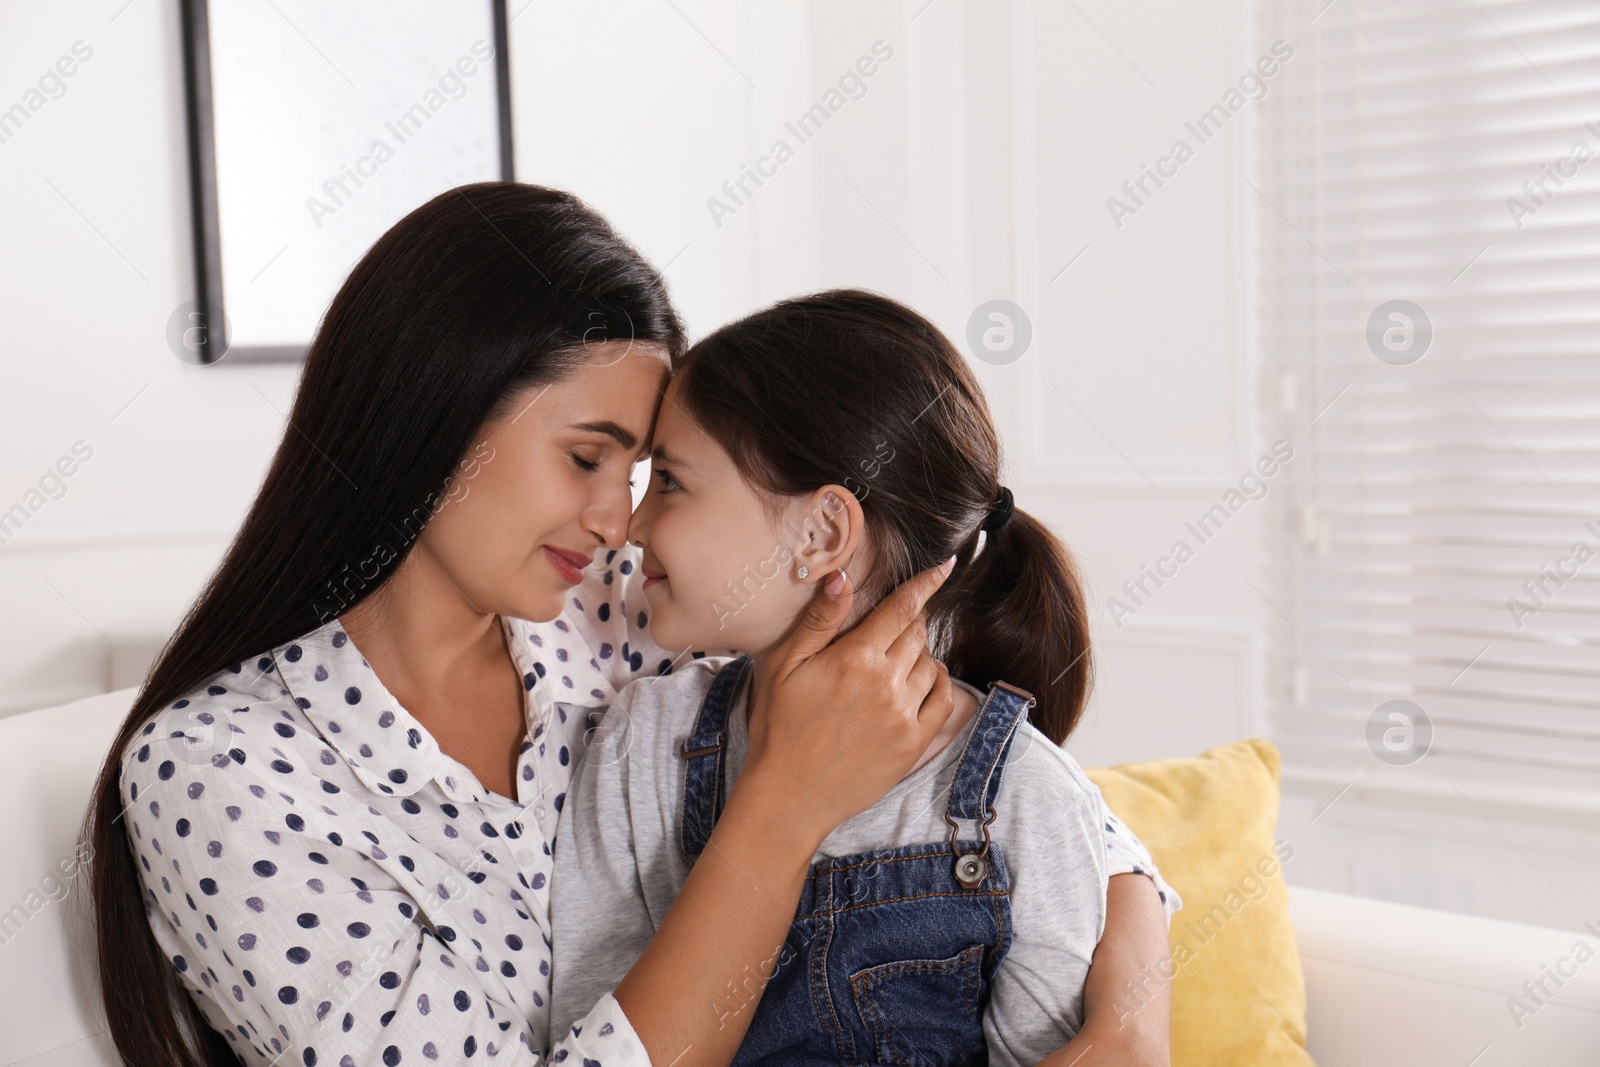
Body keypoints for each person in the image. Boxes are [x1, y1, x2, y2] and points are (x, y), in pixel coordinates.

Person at [84, 183, 1172, 1067]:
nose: (618, 521)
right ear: (435, 413)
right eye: (586, 456)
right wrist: (781, 806)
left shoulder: (617, 612)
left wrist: (1129, 1019)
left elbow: (1025, 805)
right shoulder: (218, 771)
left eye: (649, 474)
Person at [549, 291, 1180, 1065]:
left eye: (671, 481)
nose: (630, 526)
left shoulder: (1027, 797)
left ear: (821, 534)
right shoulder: (639, 747)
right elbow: (599, 1041)